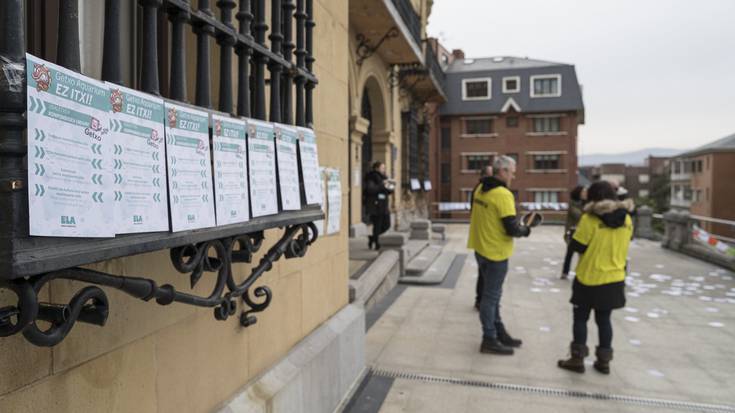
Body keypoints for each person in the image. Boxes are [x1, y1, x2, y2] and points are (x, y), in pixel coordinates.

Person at [557, 180, 634, 374]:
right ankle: (604, 362)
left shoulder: (590, 219)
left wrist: (571, 237)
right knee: (604, 320)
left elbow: (578, 246)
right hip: (615, 277)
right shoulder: (626, 220)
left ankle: (577, 359)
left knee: (581, 318)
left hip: (589, 277)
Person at [468, 156, 535, 355]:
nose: (514, 176)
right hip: (496, 253)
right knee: (491, 298)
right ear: (503, 171)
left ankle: (498, 331)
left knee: (492, 295)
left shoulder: (480, 189)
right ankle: (489, 338)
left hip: (480, 249)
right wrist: (527, 229)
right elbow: (511, 229)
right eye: (512, 172)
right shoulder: (503, 194)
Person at [473, 164, 494, 310]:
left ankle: (480, 300)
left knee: (483, 273)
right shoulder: (482, 191)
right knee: (485, 274)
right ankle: (482, 301)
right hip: (485, 238)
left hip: (481, 237)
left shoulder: (479, 190)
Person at [363, 161, 394, 250]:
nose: (384, 169)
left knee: (387, 225)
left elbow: (388, 191)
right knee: (377, 226)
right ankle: (377, 243)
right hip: (375, 206)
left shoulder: (384, 177)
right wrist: (382, 184)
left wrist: (391, 186)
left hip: (384, 206)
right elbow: (371, 190)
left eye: (384, 168)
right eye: (382, 168)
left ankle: (372, 238)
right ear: (377, 168)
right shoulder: (371, 177)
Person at [561, 186, 587, 279]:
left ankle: (582, 271)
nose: (585, 194)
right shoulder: (573, 203)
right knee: (570, 253)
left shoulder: (587, 203)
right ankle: (565, 272)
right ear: (579, 193)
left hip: (583, 232)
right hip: (572, 231)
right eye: (583, 192)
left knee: (583, 253)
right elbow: (578, 215)